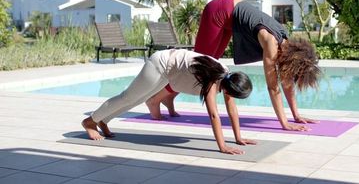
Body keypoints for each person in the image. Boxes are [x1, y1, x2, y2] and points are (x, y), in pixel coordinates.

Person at [149, 0, 321, 131]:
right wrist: (285, 123)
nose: (290, 77)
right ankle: (155, 100)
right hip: (218, 11)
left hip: (229, 19)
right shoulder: (271, 42)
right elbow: (273, 87)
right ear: (291, 61)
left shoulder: (286, 42)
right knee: (199, 66)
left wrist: (296, 115)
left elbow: (286, 81)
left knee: (210, 67)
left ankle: (169, 97)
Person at [82, 49, 257, 154]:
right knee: (129, 96)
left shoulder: (228, 78)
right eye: (234, 96)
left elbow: (232, 110)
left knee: (139, 98)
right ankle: (90, 121)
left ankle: (103, 120)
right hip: (160, 64)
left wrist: (238, 138)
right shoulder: (214, 81)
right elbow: (213, 115)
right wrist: (223, 146)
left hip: (169, 71)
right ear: (229, 89)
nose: (232, 99)